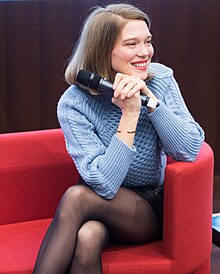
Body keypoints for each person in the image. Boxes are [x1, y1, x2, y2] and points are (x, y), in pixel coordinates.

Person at [33, 3, 204, 274]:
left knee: (76, 197)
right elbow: (105, 184)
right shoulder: (74, 103)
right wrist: (129, 114)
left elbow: (190, 149)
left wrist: (150, 102)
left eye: (147, 41)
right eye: (131, 44)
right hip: (101, 199)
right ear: (103, 50)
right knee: (87, 238)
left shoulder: (161, 78)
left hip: (150, 204)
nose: (144, 52)